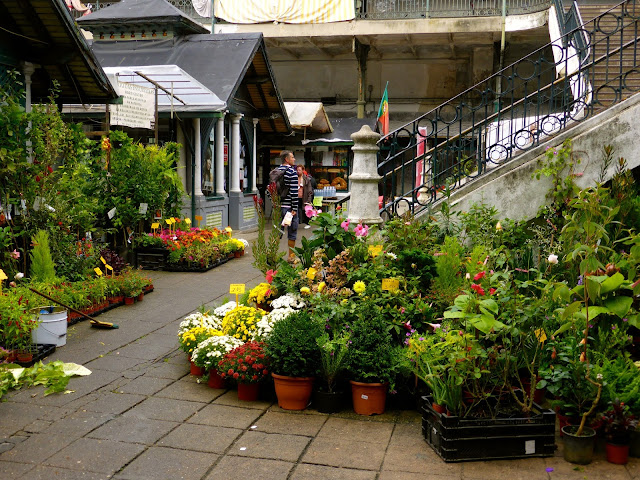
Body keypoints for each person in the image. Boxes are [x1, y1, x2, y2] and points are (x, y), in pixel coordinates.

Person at [276, 150, 299, 260]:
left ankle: (272, 254)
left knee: (277, 231)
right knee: (292, 232)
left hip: (278, 207)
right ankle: (291, 257)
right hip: (289, 208)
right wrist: (294, 207)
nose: (294, 159)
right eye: (292, 157)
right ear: (287, 159)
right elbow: (294, 192)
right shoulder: (292, 172)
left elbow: (269, 190)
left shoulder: (275, 171)